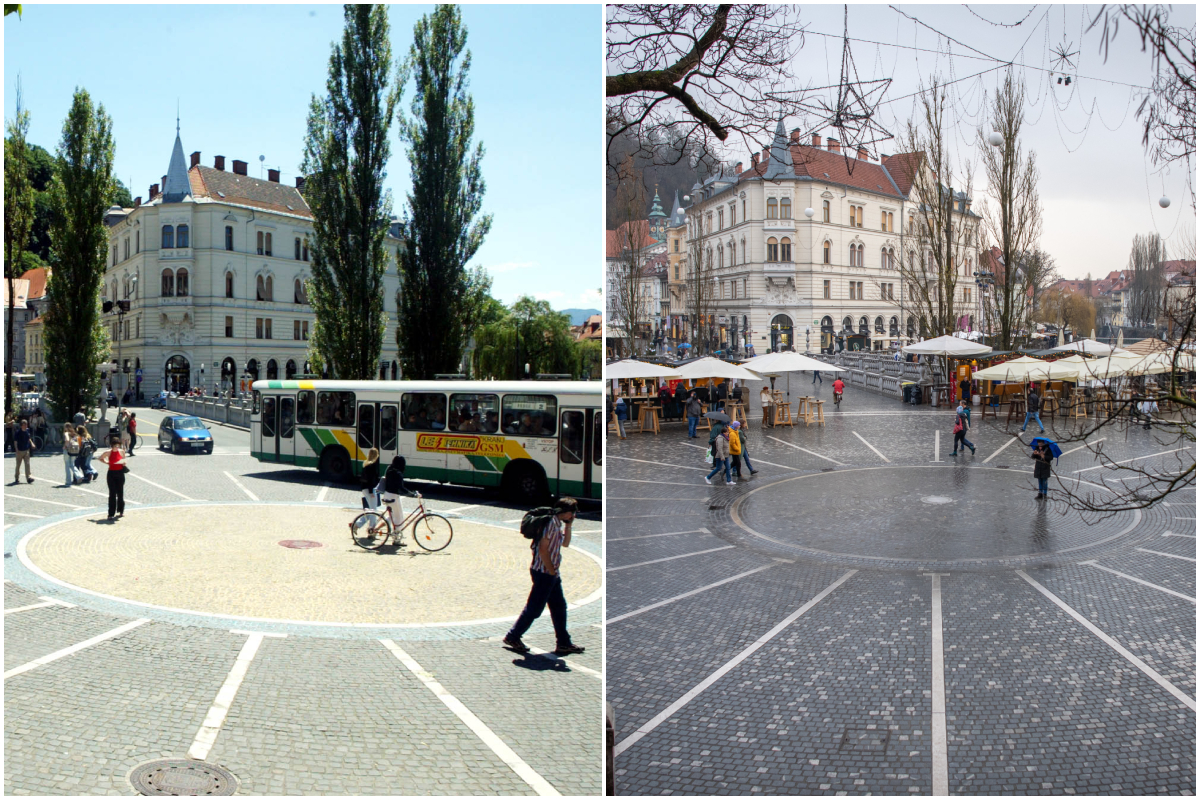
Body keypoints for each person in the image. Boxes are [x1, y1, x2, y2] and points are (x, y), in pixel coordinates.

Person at [502, 497, 585, 656]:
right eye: (573, 513)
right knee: (534, 608)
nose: (574, 515)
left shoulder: (557, 523)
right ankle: (513, 636)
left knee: (559, 607)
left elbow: (565, 544)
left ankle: (563, 643)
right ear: (567, 512)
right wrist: (551, 571)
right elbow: (542, 550)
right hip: (544, 573)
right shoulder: (551, 524)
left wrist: (569, 526)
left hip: (550, 573)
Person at [98, 436, 126, 521]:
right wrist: (107, 462)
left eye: (118, 446)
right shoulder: (108, 452)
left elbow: (124, 461)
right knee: (112, 494)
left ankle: (121, 510)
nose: (116, 448)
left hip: (120, 473)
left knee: (120, 493)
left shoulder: (121, 452)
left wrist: (124, 463)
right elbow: (100, 458)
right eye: (115, 446)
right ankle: (111, 513)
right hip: (111, 474)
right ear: (111, 445)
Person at [12, 418, 35, 484]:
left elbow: (29, 438)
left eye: (26, 424)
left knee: (27, 464)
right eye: (24, 425)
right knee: (18, 465)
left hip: (26, 450)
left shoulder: (27, 430)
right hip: (19, 450)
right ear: (21, 425)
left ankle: (28, 478)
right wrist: (16, 450)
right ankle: (16, 477)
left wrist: (32, 443)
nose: (26, 426)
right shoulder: (18, 432)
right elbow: (15, 441)